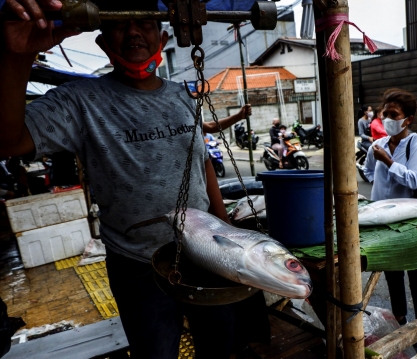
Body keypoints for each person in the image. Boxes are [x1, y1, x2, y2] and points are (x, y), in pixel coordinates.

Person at [0, 1, 269, 358]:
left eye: (143, 20)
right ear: (102, 41)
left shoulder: (181, 97)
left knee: (220, 343)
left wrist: (224, 230)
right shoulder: (80, 102)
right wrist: (19, 56)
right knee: (154, 352)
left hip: (203, 253)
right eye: (119, 23)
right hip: (136, 265)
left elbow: (201, 164)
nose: (132, 32)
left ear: (164, 35)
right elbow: (10, 141)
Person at [363, 88, 417, 351]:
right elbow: (369, 172)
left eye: (394, 115)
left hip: (411, 219)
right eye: (385, 114)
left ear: (408, 119)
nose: (388, 119)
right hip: (381, 218)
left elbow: (415, 178)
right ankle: (400, 318)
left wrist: (389, 163)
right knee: (392, 272)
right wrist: (379, 176)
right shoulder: (378, 145)